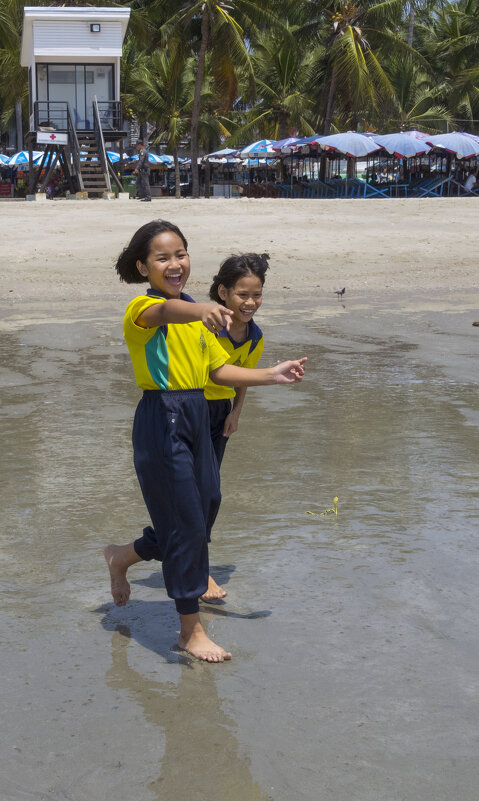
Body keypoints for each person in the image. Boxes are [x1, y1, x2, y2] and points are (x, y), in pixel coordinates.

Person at [102, 220, 306, 662]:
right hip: (162, 416)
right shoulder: (143, 307)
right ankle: (189, 632)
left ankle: (123, 556)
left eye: (181, 254)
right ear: (143, 266)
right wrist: (200, 312)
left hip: (197, 413)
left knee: (206, 505)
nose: (175, 264)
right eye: (162, 257)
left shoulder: (195, 310)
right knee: (185, 523)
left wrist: (272, 375)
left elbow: (218, 371)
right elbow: (164, 313)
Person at [201, 252, 269, 601]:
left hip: (220, 414)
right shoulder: (206, 325)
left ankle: (191, 560)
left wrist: (236, 412)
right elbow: (213, 371)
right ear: (223, 292)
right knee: (205, 493)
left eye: (256, 294)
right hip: (190, 408)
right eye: (243, 294)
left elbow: (243, 379)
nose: (250, 302)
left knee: (208, 494)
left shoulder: (255, 337)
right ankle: (199, 569)